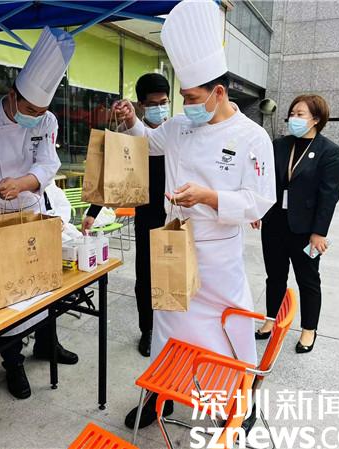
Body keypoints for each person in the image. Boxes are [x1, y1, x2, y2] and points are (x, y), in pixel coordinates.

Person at [116, 0, 276, 430]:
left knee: (225, 330)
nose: (185, 105)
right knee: (168, 325)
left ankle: (238, 401)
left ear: (218, 93)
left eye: (191, 98)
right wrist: (131, 120)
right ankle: (160, 395)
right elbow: (147, 142)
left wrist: (208, 197)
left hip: (218, 258)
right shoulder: (179, 127)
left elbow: (260, 200)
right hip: (175, 245)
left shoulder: (252, 137)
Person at [0, 27, 78, 400]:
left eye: (41, 111)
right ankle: (13, 363)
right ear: (12, 95)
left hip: (32, 209)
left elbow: (48, 164)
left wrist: (24, 184)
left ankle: (47, 343)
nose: (36, 117)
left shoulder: (47, 121)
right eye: (29, 110)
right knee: (9, 293)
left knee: (44, 282)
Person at [82, 73, 170, 357]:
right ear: (142, 106)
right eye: (153, 104)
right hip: (147, 215)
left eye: (164, 102)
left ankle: (172, 328)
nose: (160, 108)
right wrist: (93, 212)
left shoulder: (179, 130)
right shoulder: (128, 135)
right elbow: (113, 176)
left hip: (177, 215)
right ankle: (148, 329)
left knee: (174, 273)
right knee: (146, 277)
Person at [253, 94, 339, 354]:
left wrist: (319, 233)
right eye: (292, 113)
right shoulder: (280, 145)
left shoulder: (329, 151)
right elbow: (265, 182)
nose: (294, 118)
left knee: (308, 280)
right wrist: (257, 210)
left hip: (306, 231)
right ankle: (271, 320)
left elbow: (329, 196)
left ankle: (309, 329)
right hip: (275, 224)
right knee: (275, 277)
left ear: (316, 119)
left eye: (300, 114)